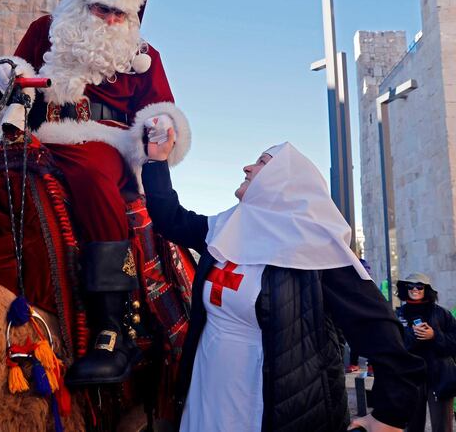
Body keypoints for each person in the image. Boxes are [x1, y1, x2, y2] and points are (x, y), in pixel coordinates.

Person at [0, 0, 191, 385]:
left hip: (106, 142)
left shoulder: (146, 58)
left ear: (131, 17)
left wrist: (161, 126)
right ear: (83, 4)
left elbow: (163, 109)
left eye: (119, 14)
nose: (110, 20)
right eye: (101, 10)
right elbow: (15, 67)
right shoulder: (47, 28)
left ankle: (113, 330)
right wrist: (5, 76)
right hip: (37, 132)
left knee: (93, 178)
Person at [142, 133, 426, 432]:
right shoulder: (224, 228)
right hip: (207, 385)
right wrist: (157, 161)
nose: (247, 168)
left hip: (274, 403)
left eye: (262, 162)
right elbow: (169, 219)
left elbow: (378, 330)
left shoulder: (316, 248)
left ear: (284, 181)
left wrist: (389, 415)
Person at [396, 273, 456, 432]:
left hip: (440, 378)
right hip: (411, 379)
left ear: (426, 289)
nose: (415, 289)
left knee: (443, 427)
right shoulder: (398, 315)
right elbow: (395, 346)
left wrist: (434, 336)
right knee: (412, 426)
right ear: (405, 288)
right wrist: (412, 335)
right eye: (411, 286)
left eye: (419, 286)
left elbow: (454, 342)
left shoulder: (442, 313)